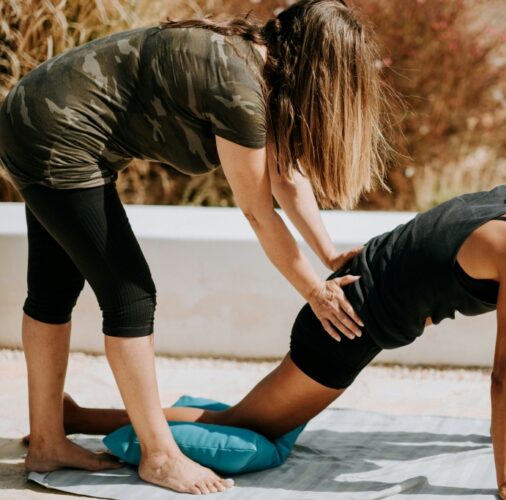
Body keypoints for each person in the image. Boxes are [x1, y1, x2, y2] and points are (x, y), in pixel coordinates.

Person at [55, 124, 506, 499]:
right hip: (344, 324)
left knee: (250, 417)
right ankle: (80, 420)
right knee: (246, 425)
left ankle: (86, 416)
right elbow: (503, 372)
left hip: (355, 309)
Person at [0, 0, 392, 494]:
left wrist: (330, 255)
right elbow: (257, 211)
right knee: (130, 295)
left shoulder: (258, 65)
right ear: (319, 66)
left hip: (36, 113)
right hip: (56, 131)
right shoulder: (241, 91)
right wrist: (315, 291)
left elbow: (287, 178)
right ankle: (160, 456)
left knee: (53, 290)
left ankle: (48, 441)